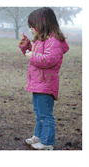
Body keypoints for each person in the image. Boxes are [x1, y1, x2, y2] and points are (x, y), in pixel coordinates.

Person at [19, 7, 69, 150]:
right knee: (39, 113)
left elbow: (49, 60)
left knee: (45, 115)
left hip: (46, 84)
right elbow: (35, 54)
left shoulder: (53, 41)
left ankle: (47, 142)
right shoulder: (43, 40)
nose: (31, 29)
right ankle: (38, 135)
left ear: (43, 24)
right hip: (38, 83)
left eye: (33, 25)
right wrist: (26, 46)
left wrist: (31, 56)